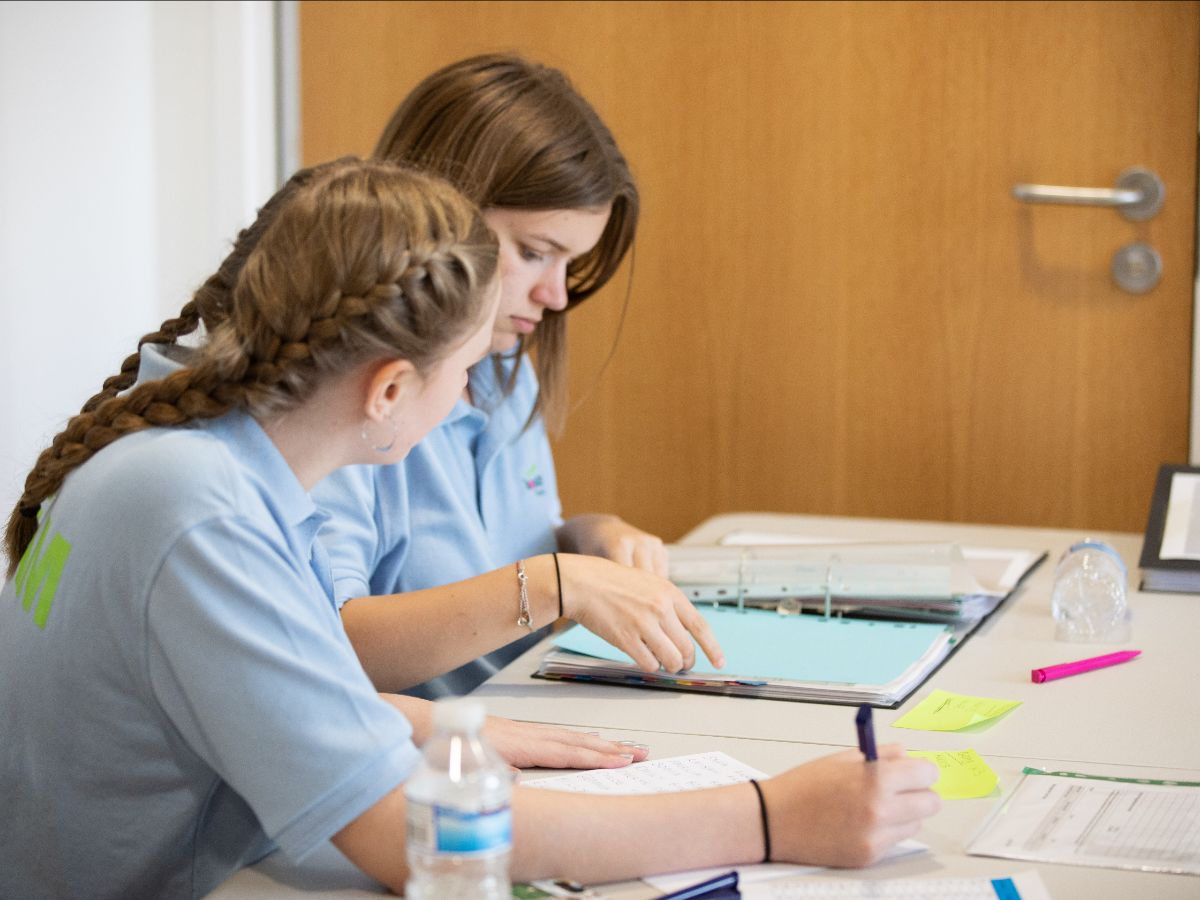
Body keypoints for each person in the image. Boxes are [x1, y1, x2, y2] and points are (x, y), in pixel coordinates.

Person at [1, 158, 940, 898]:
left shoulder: (187, 466)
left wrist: (436, 724)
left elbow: (244, 680)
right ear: (390, 391)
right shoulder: (203, 511)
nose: (468, 396)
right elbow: (413, 840)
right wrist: (773, 817)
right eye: (461, 373)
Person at [313, 53, 681, 697]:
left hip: (519, 713)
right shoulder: (341, 394)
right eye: (535, 252)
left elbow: (498, 550)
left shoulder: (507, 369)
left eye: (569, 265)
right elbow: (323, 648)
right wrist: (556, 584)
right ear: (436, 213)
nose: (556, 296)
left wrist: (589, 537)